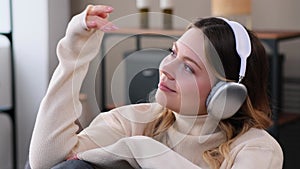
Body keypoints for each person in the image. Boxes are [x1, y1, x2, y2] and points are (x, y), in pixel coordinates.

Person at [28, 4, 283, 169]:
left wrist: (141, 149)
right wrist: (75, 52)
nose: (165, 69)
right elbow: (45, 159)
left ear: (227, 93)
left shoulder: (256, 149)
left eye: (189, 67)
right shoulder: (136, 120)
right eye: (173, 53)